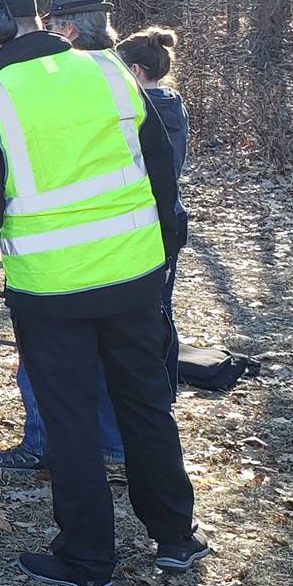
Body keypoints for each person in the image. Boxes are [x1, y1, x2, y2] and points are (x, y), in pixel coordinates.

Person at [0, 0, 206, 586]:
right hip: (135, 275)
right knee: (146, 406)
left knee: (71, 424)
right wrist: (163, 249)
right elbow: (160, 169)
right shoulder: (110, 71)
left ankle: (88, 560)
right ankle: (174, 536)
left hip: (53, 292)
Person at [0, 0, 127, 476]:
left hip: (61, 268)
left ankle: (48, 445)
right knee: (106, 366)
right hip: (125, 259)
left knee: (44, 369)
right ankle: (108, 447)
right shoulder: (113, 76)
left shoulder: (22, 89)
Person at [115, 26, 189, 389]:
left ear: (137, 72)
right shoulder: (172, 102)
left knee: (155, 311)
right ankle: (162, 385)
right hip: (168, 218)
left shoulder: (147, 111)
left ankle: (159, 387)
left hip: (154, 223)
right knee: (161, 308)